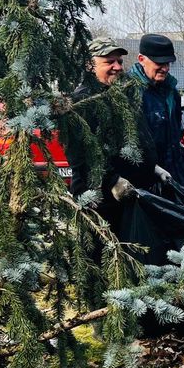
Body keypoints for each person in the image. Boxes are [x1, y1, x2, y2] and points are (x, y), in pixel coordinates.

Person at [67, 37, 159, 226]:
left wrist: (153, 167)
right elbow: (81, 154)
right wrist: (112, 181)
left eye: (119, 61)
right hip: (100, 201)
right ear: (90, 65)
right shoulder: (82, 102)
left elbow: (137, 137)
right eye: (109, 62)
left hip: (130, 198)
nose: (117, 67)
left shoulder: (122, 96)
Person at [130, 33, 184, 187]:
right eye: (159, 63)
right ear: (141, 59)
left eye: (168, 63)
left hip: (175, 177)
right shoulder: (128, 93)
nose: (165, 68)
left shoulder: (172, 92)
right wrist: (151, 168)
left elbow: (175, 136)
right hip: (146, 182)